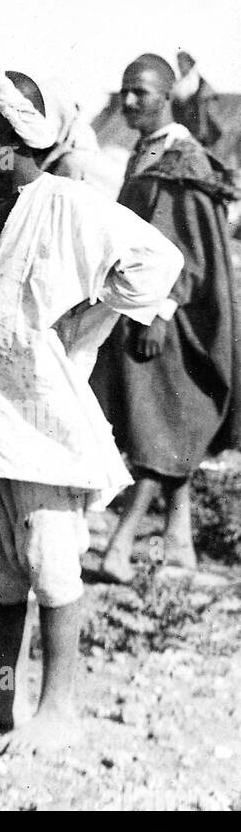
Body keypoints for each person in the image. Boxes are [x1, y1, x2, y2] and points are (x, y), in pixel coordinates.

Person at [0, 67, 182, 754]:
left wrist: (86, 323)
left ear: (9, 144)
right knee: (1, 566)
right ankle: (1, 691)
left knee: (51, 563)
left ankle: (59, 705)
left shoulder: (65, 202)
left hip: (40, 416)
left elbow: (155, 261)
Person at [92, 54, 241, 583]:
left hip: (168, 313)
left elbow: (188, 248)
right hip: (143, 303)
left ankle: (121, 543)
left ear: (169, 96)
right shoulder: (147, 150)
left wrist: (159, 313)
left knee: (164, 422)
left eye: (144, 93)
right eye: (127, 91)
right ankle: (179, 545)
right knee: (167, 419)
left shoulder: (183, 159)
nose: (131, 102)